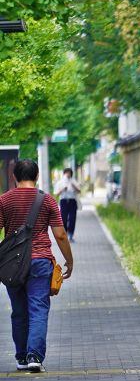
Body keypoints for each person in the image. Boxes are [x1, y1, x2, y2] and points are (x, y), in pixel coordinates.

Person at [0, 159, 73, 373]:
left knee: (19, 312)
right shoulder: (47, 200)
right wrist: (69, 259)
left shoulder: (4, 200)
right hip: (40, 262)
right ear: (37, 176)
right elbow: (59, 234)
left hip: (12, 264)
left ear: (14, 176)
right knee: (38, 309)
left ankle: (21, 357)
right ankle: (34, 356)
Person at [54, 168, 81, 243]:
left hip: (72, 201)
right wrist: (62, 189)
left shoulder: (74, 181)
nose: (68, 174)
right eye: (67, 173)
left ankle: (71, 235)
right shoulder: (60, 182)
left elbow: (79, 191)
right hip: (63, 201)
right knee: (63, 219)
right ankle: (65, 234)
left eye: (69, 173)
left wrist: (73, 186)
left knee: (72, 218)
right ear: (64, 173)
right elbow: (56, 194)